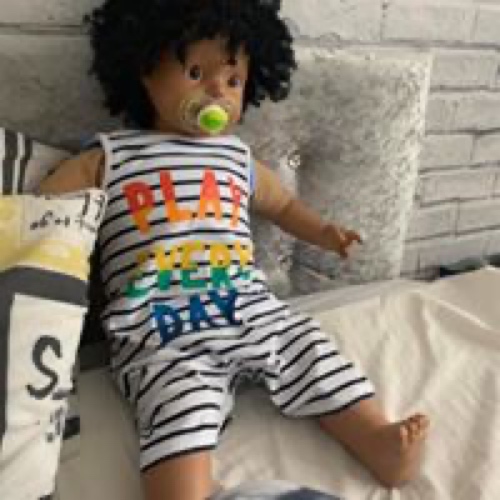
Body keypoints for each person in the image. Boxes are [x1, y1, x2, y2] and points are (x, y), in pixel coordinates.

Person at [38, 1, 429, 499]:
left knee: (311, 349)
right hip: (160, 326)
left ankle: (375, 438)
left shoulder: (235, 156)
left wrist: (325, 232)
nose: (217, 91)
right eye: (196, 73)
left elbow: (283, 205)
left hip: (248, 306)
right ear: (144, 71)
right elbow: (44, 207)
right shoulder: (111, 157)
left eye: (233, 79)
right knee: (175, 406)